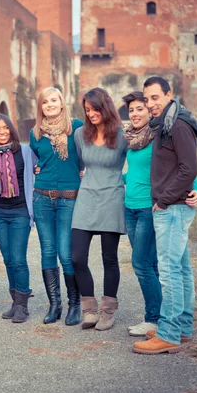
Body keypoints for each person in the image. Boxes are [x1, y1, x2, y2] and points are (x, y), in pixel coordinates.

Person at [121, 91, 197, 337]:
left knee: (142, 264)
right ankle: (159, 317)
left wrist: (196, 189)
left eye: (140, 108)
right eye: (131, 110)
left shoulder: (159, 134)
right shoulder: (132, 139)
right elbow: (133, 172)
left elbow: (182, 165)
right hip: (131, 207)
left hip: (151, 207)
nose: (135, 114)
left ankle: (154, 318)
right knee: (151, 263)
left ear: (149, 110)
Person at [72, 87, 127, 331]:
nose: (91, 114)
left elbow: (137, 165)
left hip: (112, 198)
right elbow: (78, 163)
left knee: (109, 258)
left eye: (95, 109)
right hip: (86, 199)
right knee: (77, 258)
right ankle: (90, 310)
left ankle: (107, 312)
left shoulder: (123, 135)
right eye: (87, 110)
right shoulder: (79, 134)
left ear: (105, 107)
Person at [30, 87, 84, 326]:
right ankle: (55, 305)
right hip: (42, 197)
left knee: (65, 252)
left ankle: (75, 304)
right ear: (40, 107)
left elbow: (90, 153)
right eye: (45, 102)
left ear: (62, 103)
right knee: (48, 252)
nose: (50, 105)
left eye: (54, 100)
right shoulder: (35, 133)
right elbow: (36, 160)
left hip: (69, 198)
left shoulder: (77, 127)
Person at [0, 113, 38, 323]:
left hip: (20, 211)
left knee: (18, 259)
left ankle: (23, 305)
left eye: (5, 128)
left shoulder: (24, 151)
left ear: (11, 129)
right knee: (7, 259)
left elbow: (42, 167)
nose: (2, 132)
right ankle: (15, 301)